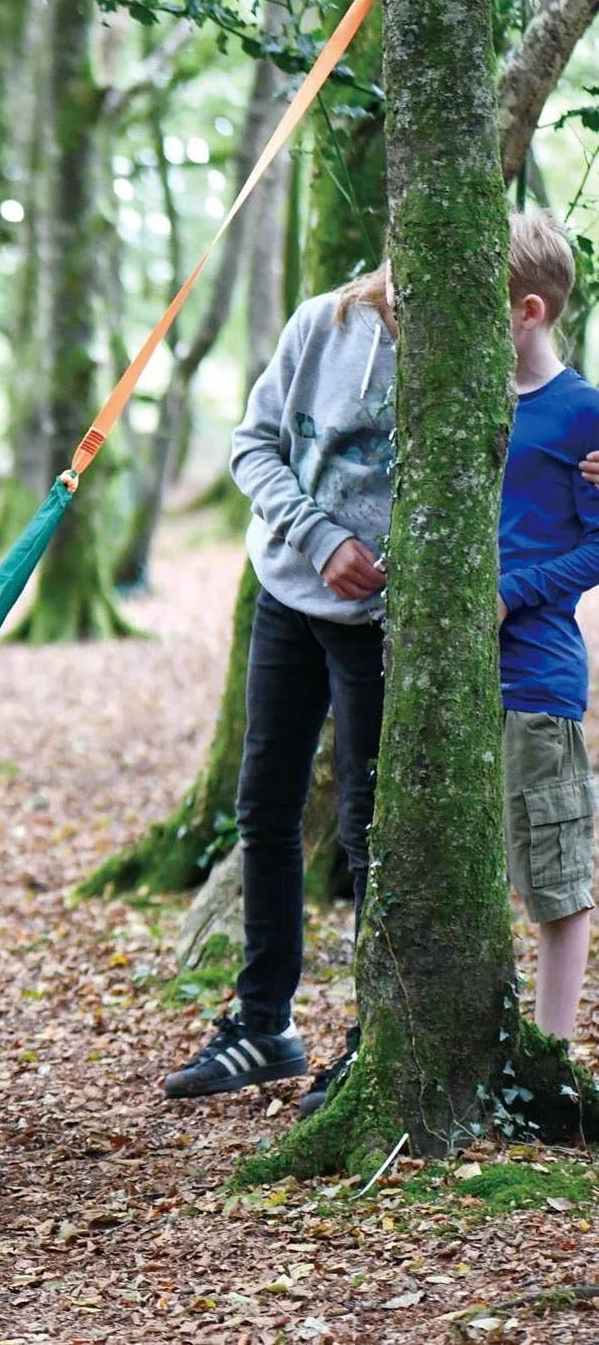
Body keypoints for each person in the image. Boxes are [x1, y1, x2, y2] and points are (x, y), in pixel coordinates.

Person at [163, 260, 396, 1111]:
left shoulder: (484, 354)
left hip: (382, 624)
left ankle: (383, 1040)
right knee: (265, 805)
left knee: (376, 823)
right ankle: (264, 1024)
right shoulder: (324, 325)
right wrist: (319, 536)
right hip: (290, 595)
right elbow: (253, 445)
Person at [497, 209, 597, 1042]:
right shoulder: (461, 406)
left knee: (553, 875)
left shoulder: (582, 412)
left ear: (529, 310)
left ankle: (553, 1053)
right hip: (447, 680)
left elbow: (597, 550)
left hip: (536, 674)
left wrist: (511, 592)